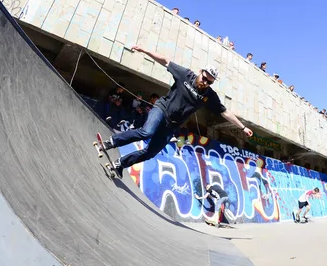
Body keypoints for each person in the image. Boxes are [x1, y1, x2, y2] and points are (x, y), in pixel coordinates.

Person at [99, 44, 254, 177]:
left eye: (209, 82)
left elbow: (224, 112)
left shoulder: (209, 96)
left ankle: (120, 164)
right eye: (204, 78)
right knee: (147, 132)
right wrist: (144, 50)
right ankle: (111, 142)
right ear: (200, 72)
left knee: (150, 153)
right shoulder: (185, 75)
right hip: (162, 109)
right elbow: (165, 61)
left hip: (171, 125)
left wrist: (243, 127)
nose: (205, 83)